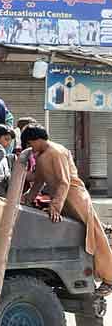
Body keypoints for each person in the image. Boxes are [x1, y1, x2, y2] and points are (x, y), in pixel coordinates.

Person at [22, 125, 112, 296]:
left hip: (74, 196)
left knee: (94, 234)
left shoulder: (56, 152)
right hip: (62, 198)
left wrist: (55, 206)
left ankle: (110, 278)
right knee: (78, 236)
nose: (30, 147)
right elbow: (39, 181)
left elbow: (64, 182)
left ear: (36, 139)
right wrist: (27, 198)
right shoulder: (41, 155)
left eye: (30, 143)